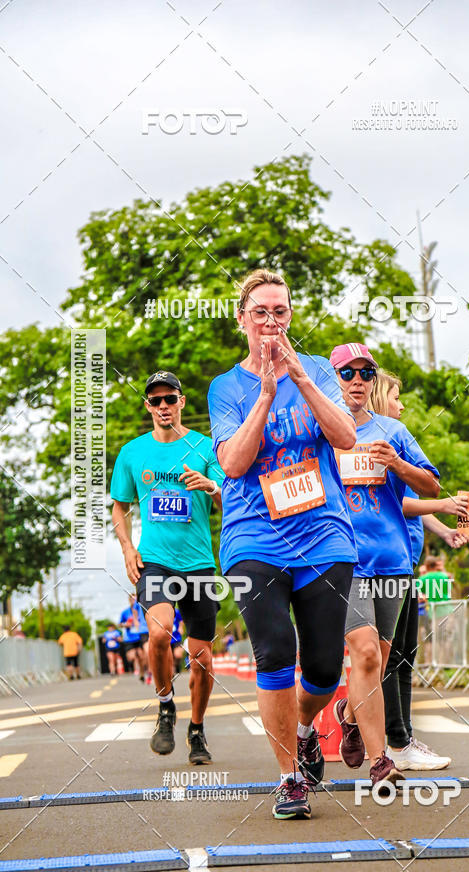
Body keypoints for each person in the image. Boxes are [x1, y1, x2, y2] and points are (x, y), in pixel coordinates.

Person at [208, 269, 358, 821]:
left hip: (323, 533)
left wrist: (299, 378)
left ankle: (305, 728)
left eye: (280, 311)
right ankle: (289, 778)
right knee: (274, 651)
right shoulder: (226, 387)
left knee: (323, 666)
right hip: (254, 536)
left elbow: (345, 437)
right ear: (242, 319)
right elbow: (233, 463)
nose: (271, 321)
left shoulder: (316, 368)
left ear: (290, 316)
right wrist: (267, 394)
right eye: (260, 312)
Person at [329, 343, 440, 782]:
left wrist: (397, 464)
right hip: (342, 560)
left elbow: (431, 486)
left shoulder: (392, 430)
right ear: (334, 380)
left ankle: (348, 714)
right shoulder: (319, 431)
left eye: (365, 374)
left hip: (392, 560)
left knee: (379, 659)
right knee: (365, 651)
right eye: (347, 373)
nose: (357, 381)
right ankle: (382, 762)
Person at [111, 370, 225, 765]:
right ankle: (165, 706)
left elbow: (229, 498)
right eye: (156, 400)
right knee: (159, 633)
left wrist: (210, 486)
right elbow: (120, 507)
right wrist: (127, 548)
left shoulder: (205, 448)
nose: (163, 406)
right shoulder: (132, 452)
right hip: (155, 562)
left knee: (202, 658)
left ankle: (197, 729)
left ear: (182, 402)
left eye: (170, 399)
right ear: (148, 406)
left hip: (199, 564)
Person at [372, 369, 469, 770]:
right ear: (380, 397)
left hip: (405, 558)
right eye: (396, 396)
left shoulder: (395, 442)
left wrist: (444, 530)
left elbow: (413, 502)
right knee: (391, 655)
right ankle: (396, 739)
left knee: (405, 654)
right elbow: (399, 504)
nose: (401, 405)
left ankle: (401, 736)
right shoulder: (373, 442)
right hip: (380, 564)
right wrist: (443, 504)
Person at [119, 594, 148, 679]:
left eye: (135, 599)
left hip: (139, 637)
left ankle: (141, 672)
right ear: (129, 601)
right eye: (132, 599)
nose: (133, 601)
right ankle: (138, 669)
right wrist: (126, 625)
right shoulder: (125, 612)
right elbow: (119, 624)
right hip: (129, 638)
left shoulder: (141, 610)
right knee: (132, 656)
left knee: (141, 656)